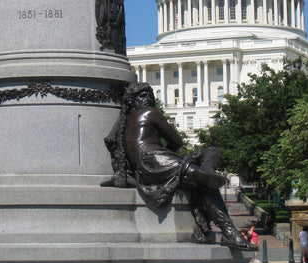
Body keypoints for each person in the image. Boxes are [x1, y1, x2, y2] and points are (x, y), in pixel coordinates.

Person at [102, 82, 258, 251]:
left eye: (148, 95)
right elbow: (176, 141)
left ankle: (207, 174)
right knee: (206, 169)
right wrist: (171, 156)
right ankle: (229, 232)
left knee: (203, 171)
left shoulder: (126, 123)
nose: (146, 98)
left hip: (145, 167)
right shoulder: (151, 113)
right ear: (132, 100)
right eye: (142, 95)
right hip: (155, 159)